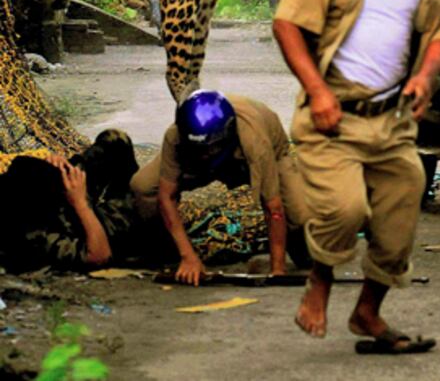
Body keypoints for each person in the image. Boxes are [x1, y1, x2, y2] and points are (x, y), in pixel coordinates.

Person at [272, 0, 440, 355]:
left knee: (403, 207)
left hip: (391, 119)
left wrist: (423, 77)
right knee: (346, 208)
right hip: (332, 115)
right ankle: (320, 279)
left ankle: (368, 311)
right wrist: (316, 91)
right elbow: (287, 24)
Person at [130, 90, 310, 284]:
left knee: (300, 215)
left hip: (262, 151)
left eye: (209, 149)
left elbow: (273, 207)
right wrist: (187, 256)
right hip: (202, 155)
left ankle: (299, 249)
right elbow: (166, 196)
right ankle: (168, 247)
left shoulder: (255, 142)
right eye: (199, 150)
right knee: (143, 187)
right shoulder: (176, 136)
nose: (204, 154)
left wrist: (277, 271)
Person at [0, 130, 140, 273]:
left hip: (53, 196)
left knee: (114, 140)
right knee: (135, 208)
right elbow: (100, 255)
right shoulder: (33, 236)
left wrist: (59, 165)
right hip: (87, 223)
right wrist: (80, 203)